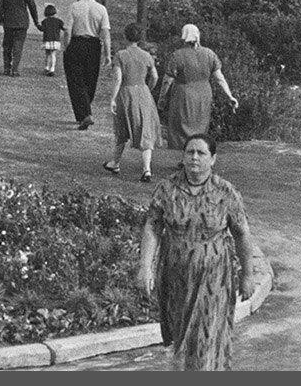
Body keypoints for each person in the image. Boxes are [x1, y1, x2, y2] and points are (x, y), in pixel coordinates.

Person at [137, 133, 256, 371]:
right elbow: (152, 226)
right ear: (183, 156)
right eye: (190, 152)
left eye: (201, 153)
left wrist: (248, 274)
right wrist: (145, 267)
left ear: (212, 159)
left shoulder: (225, 192)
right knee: (180, 339)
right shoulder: (167, 189)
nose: (194, 157)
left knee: (205, 338)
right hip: (175, 278)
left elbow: (242, 234)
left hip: (213, 280)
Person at [157, 24, 238, 155]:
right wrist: (230, 96)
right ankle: (197, 153)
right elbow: (220, 78)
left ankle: (184, 156)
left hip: (183, 95)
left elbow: (167, 80)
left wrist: (162, 97)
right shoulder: (210, 54)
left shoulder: (177, 55)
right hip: (204, 95)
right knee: (200, 126)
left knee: (181, 127)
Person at [103, 23, 161, 182]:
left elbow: (118, 78)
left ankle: (115, 163)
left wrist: (113, 98)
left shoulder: (121, 55)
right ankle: (147, 169)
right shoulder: (146, 55)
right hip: (143, 92)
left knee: (121, 129)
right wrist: (147, 88)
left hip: (126, 93)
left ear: (125, 36)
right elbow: (155, 76)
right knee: (145, 128)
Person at [62, 0, 111, 130]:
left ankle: (84, 113)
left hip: (77, 43)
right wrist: (107, 54)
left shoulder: (74, 7)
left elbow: (68, 30)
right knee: (90, 79)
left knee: (76, 80)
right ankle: (85, 110)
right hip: (94, 45)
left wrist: (66, 47)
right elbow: (105, 33)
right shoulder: (101, 9)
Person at [39, 3, 64, 77]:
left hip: (47, 39)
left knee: (47, 54)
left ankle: (46, 67)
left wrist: (37, 25)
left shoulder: (45, 21)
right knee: (53, 54)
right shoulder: (59, 21)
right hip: (56, 40)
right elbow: (64, 28)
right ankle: (52, 69)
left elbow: (42, 29)